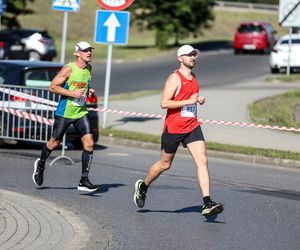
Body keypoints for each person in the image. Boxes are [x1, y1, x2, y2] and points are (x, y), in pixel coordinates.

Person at [133, 45, 224, 217]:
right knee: (165, 164)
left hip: (192, 126)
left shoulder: (194, 77)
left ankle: (207, 202)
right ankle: (143, 186)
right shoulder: (174, 78)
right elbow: (164, 103)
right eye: (189, 55)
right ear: (180, 58)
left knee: (202, 161)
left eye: (194, 55)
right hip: (174, 128)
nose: (193, 57)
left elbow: (190, 99)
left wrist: (198, 99)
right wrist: (188, 101)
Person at [32, 41, 99, 192]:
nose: (89, 53)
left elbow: (83, 85)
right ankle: (40, 165)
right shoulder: (69, 69)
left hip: (80, 112)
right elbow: (53, 87)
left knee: (89, 143)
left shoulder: (89, 68)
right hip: (65, 112)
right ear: (77, 53)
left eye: (90, 50)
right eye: (85, 50)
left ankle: (84, 180)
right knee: (54, 143)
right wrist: (72, 93)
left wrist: (87, 91)